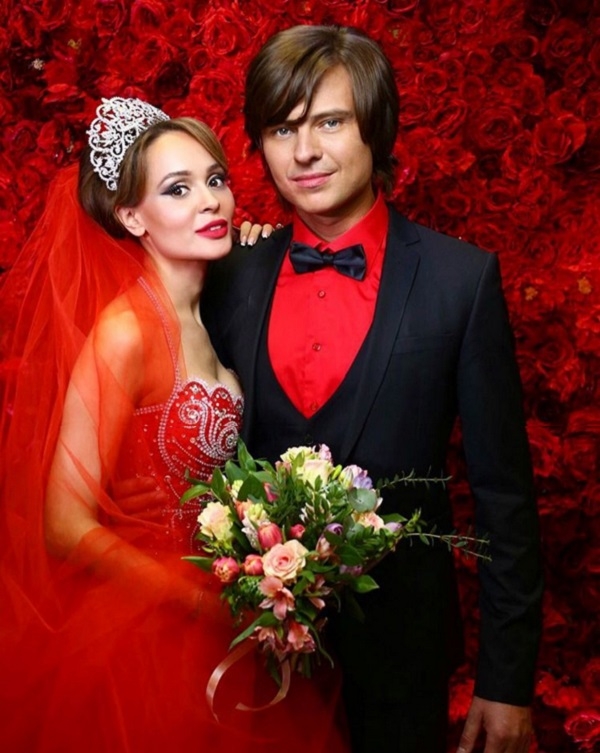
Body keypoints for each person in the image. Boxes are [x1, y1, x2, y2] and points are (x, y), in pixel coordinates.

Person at [201, 25, 544, 753]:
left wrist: (507, 680)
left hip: (401, 663)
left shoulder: (460, 281)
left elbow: (504, 499)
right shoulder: (228, 274)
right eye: (282, 129)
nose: (304, 151)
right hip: (245, 657)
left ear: (376, 128)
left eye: (329, 122)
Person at [0, 97, 349, 753]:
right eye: (177, 189)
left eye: (215, 179)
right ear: (132, 216)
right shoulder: (125, 331)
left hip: (227, 611)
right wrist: (195, 600)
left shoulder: (213, 310)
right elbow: (63, 522)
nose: (210, 201)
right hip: (148, 625)